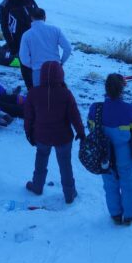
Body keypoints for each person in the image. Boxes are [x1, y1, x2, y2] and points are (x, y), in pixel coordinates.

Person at [24, 62, 85, 203]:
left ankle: (37, 186)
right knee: (65, 165)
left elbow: (28, 116)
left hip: (41, 136)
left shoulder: (33, 93)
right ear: (60, 74)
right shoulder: (66, 94)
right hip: (63, 137)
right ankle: (69, 194)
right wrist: (80, 131)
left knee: (41, 160)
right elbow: (74, 115)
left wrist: (28, 132)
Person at [89, 74, 132, 225]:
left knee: (110, 184)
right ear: (122, 89)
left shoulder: (95, 108)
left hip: (104, 155)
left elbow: (91, 129)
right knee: (128, 183)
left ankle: (115, 214)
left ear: (106, 88)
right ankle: (129, 215)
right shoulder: (130, 109)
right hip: (125, 155)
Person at [0, 0, 39, 88]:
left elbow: (39, 14)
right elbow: (4, 26)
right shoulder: (5, 5)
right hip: (19, 41)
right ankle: (31, 89)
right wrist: (11, 45)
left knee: (39, 64)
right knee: (25, 67)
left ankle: (42, 86)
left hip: (35, 37)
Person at [19, 8, 72, 89]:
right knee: (58, 96)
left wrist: (33, 66)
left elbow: (23, 58)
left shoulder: (27, 35)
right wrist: (61, 62)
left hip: (38, 72)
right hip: (56, 69)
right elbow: (68, 48)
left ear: (31, 18)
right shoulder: (55, 30)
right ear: (44, 17)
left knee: (41, 98)